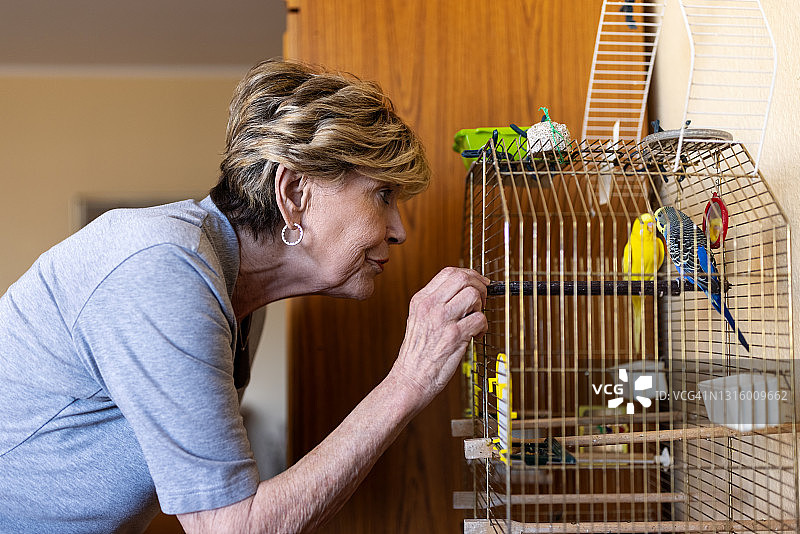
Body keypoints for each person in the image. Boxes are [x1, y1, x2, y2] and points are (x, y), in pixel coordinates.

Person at [0, 58, 489, 533]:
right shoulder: (164, 264)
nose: (399, 230)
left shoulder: (235, 298)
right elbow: (230, 526)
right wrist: (408, 382)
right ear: (294, 191)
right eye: (382, 195)